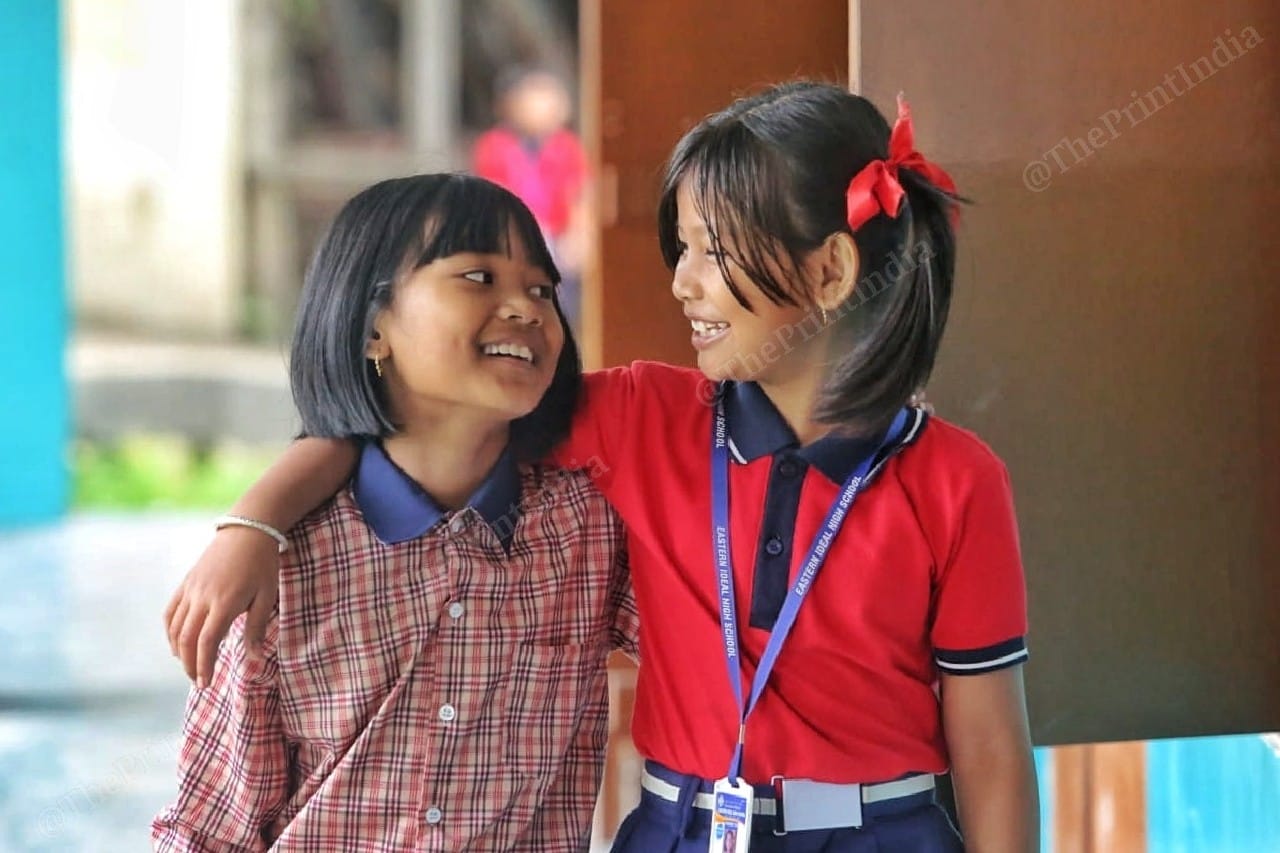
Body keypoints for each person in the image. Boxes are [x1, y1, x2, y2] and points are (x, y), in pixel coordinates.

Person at [165, 81, 1039, 851]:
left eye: (711, 251)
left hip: (886, 828)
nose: (681, 284)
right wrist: (256, 519)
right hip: (679, 825)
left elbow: (992, 747)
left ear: (831, 270)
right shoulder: (641, 416)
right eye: (682, 250)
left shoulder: (957, 479)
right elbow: (430, 411)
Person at [152, 174, 638, 851]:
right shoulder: (280, 564)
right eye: (477, 275)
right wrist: (255, 522)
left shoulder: (588, 529)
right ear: (373, 326)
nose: (526, 308)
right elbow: (212, 828)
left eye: (541, 288)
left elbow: (730, 643)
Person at [472, 67, 590, 332]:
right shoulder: (494, 145)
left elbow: (579, 194)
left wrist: (578, 234)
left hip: (558, 241)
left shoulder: (567, 146)